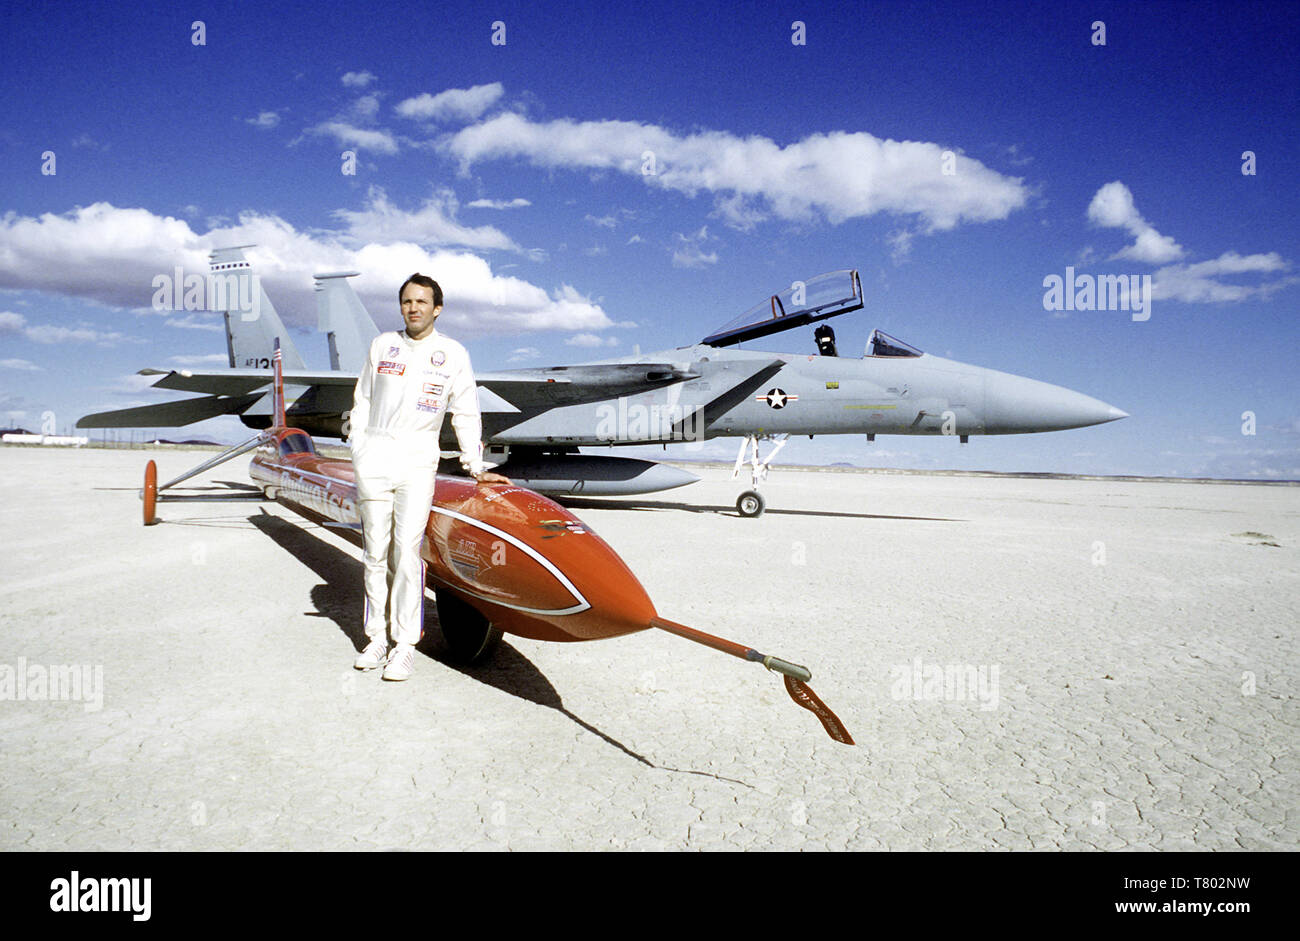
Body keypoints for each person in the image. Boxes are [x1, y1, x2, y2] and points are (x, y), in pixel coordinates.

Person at [347, 273, 510, 681]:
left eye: (421, 302)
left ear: (437, 308)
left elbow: (466, 412)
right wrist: (360, 450)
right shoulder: (382, 346)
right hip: (376, 459)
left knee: (406, 553)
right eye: (406, 301)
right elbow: (362, 400)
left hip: (419, 460)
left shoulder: (452, 353)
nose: (413, 308)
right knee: (374, 553)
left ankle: (404, 645)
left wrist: (476, 466)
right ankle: (376, 639)